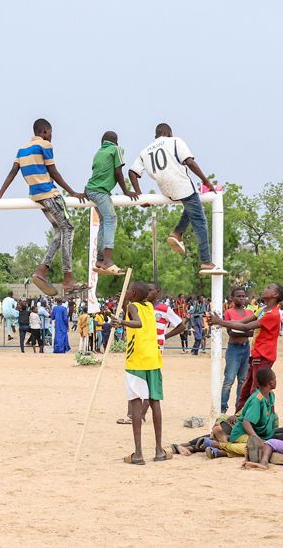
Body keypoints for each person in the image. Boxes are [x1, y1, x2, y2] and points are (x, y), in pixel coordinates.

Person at [0, 118, 87, 295]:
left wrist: (0, 194)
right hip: (50, 194)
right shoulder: (45, 146)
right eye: (51, 133)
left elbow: (12, 172)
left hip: (37, 197)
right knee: (68, 229)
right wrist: (72, 192)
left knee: (58, 232)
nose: (52, 136)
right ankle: (68, 277)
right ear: (45, 131)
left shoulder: (22, 150)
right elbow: (53, 172)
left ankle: (41, 270)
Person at [128, 123, 222, 274]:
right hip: (181, 184)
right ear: (169, 133)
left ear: (156, 136)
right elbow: (189, 162)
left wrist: (141, 195)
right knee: (200, 221)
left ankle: (178, 232)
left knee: (192, 206)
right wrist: (206, 181)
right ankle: (206, 261)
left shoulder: (144, 151)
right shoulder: (175, 141)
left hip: (166, 189)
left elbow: (132, 172)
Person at [113, 281, 170, 465]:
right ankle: (159, 450)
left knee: (136, 404)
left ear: (133, 292)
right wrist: (123, 306)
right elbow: (133, 312)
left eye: (128, 289)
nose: (127, 291)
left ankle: (138, 453)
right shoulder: (149, 307)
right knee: (155, 402)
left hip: (137, 360)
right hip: (153, 359)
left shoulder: (133, 306)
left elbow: (135, 322)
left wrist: (121, 321)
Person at [210, 283, 282, 412]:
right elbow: (242, 322)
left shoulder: (273, 314)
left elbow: (245, 327)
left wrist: (220, 322)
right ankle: (239, 416)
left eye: (269, 288)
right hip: (256, 355)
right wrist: (221, 321)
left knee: (257, 391)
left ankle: (264, 418)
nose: (265, 288)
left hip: (264, 356)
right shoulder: (263, 310)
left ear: (275, 295)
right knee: (246, 389)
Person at [84, 131, 138, 275]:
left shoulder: (98, 152)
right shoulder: (116, 150)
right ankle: (108, 260)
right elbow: (118, 172)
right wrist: (126, 191)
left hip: (91, 189)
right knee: (111, 219)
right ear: (116, 142)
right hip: (99, 191)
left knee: (103, 220)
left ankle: (100, 259)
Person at [208, 368, 277, 460]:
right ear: (271, 382)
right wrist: (257, 439)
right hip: (241, 434)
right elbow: (246, 423)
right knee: (260, 447)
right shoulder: (257, 400)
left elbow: (271, 415)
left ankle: (222, 452)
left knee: (267, 444)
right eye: (275, 379)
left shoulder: (271, 395)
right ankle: (219, 445)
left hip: (261, 433)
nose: (276, 381)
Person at [220, 288, 255, 413]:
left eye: (243, 296)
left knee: (243, 380)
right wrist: (245, 330)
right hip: (234, 348)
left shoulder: (250, 313)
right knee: (229, 380)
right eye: (238, 296)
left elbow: (253, 332)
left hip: (246, 348)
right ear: (232, 298)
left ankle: (239, 409)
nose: (241, 298)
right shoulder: (229, 312)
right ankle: (222, 408)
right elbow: (231, 332)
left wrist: (239, 328)